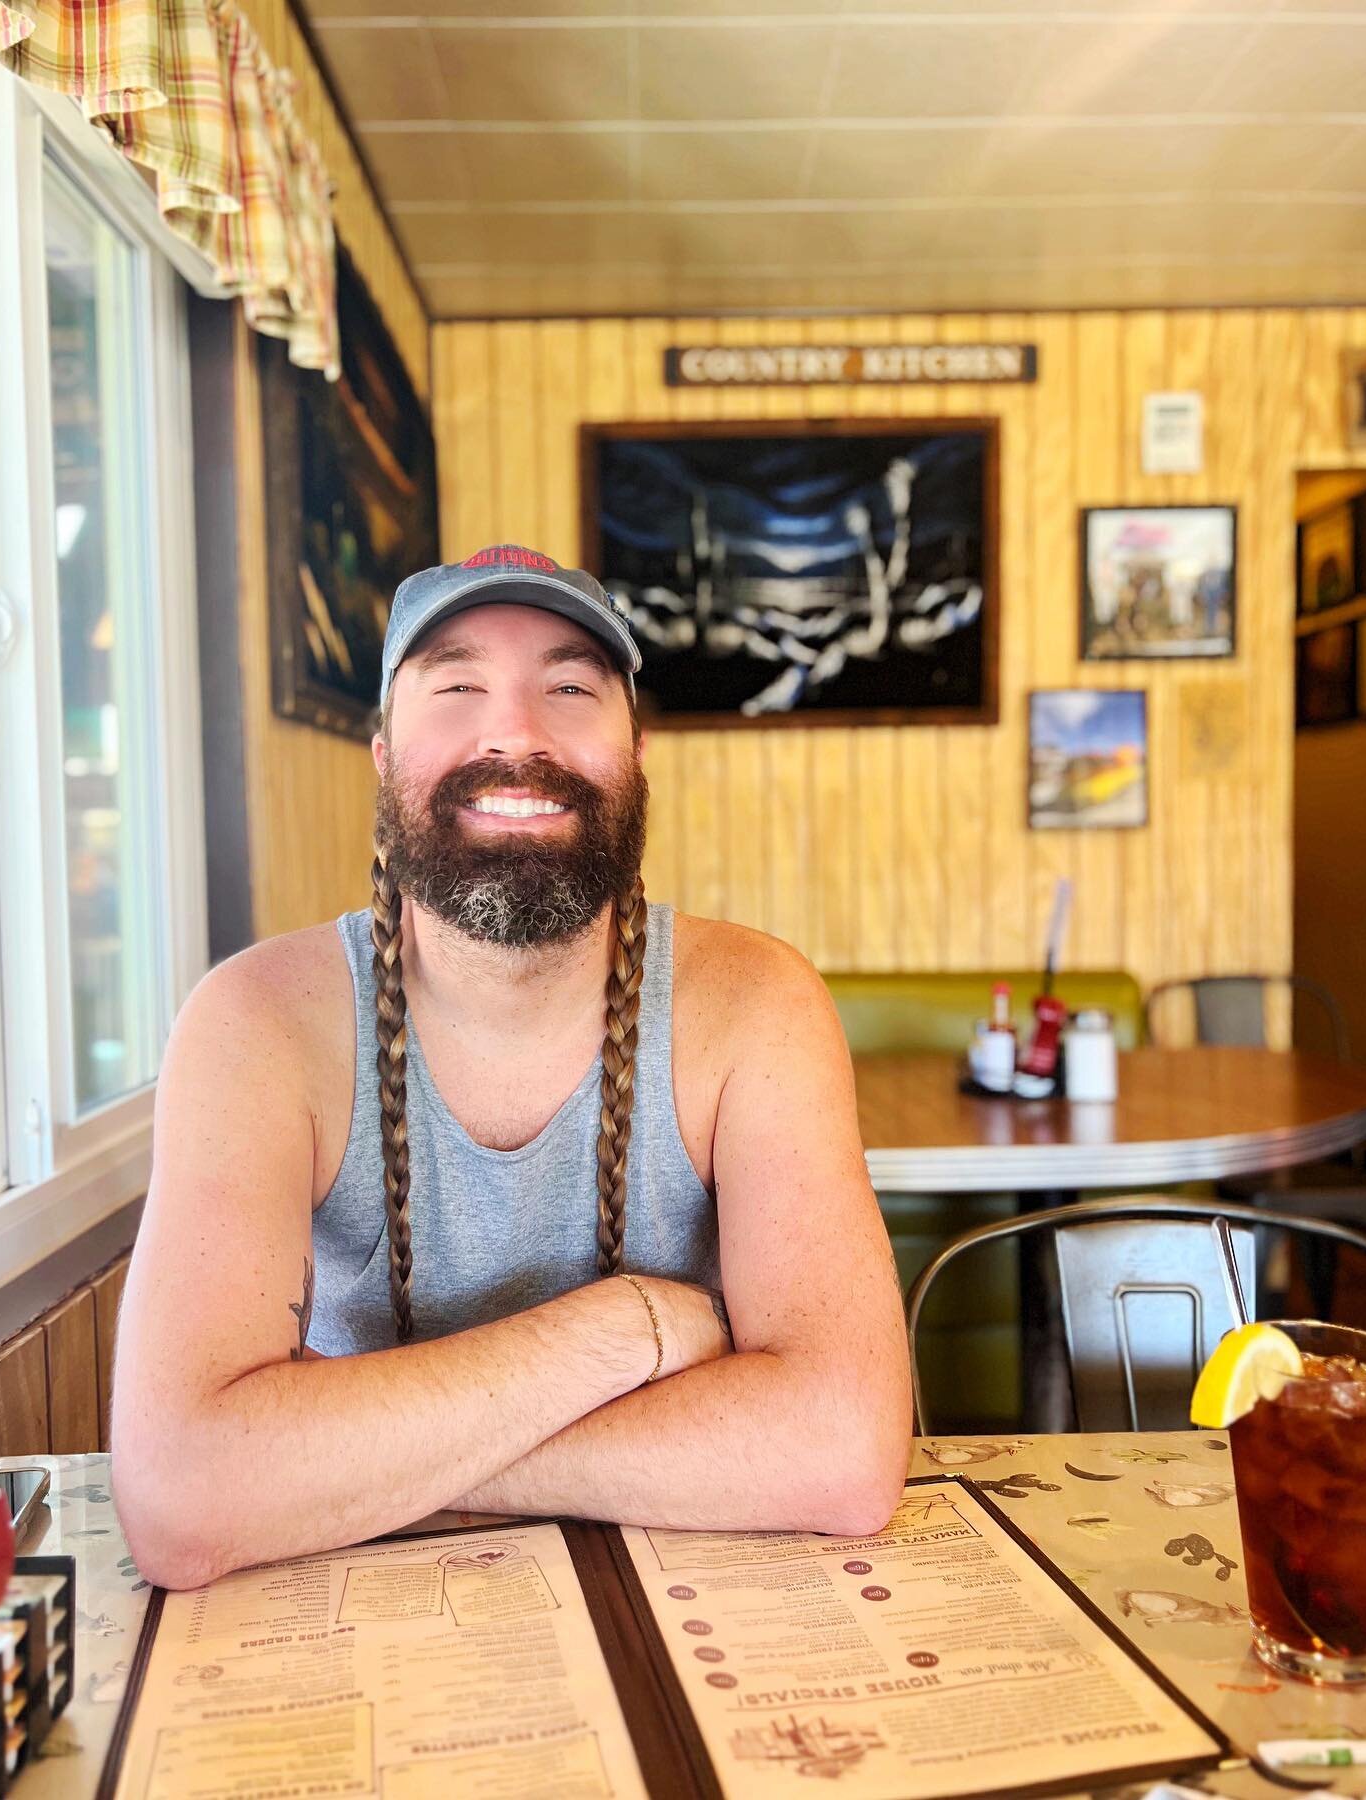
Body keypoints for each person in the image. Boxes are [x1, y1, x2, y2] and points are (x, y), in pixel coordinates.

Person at [113, 545, 912, 1590]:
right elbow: (186, 1495)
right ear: (381, 752)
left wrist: (360, 1466)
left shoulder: (759, 1002)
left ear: (637, 752)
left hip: (702, 1612)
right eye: (455, 686)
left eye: (571, 686)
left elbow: (843, 1452)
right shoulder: (256, 1023)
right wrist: (626, 1331)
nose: (516, 732)